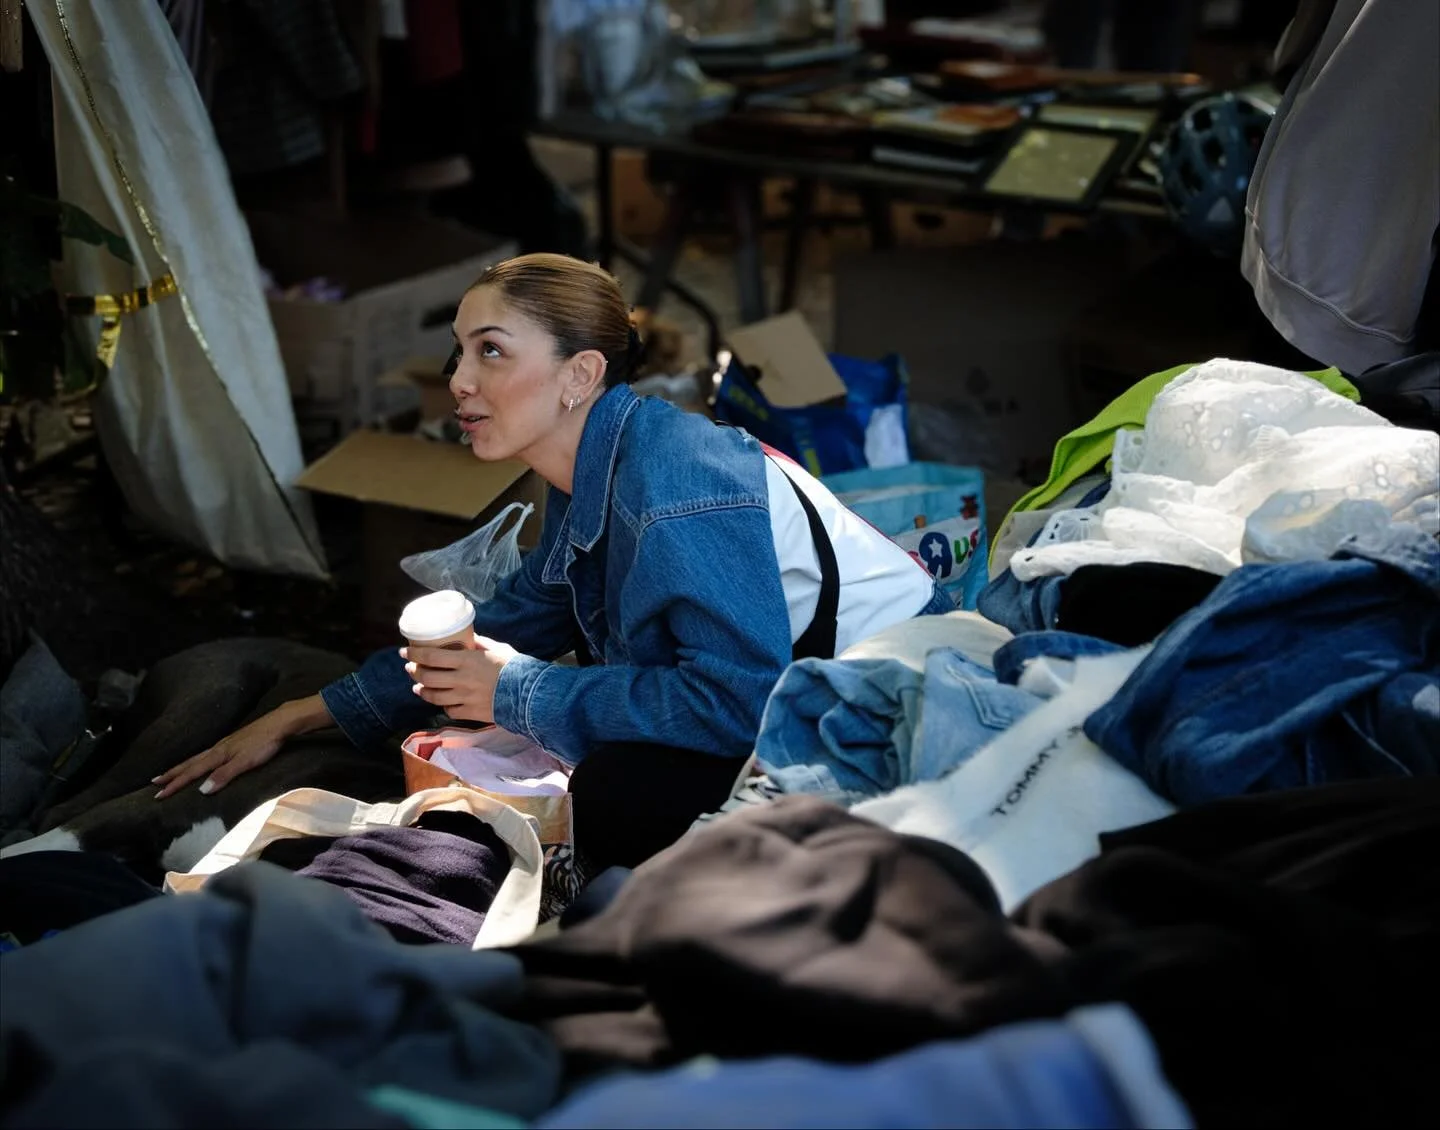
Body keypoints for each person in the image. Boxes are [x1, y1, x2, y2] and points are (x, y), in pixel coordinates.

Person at [155, 254, 952, 868]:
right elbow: (514, 620)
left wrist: (519, 691)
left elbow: (735, 703)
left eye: (492, 352)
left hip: (877, 717)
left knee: (615, 791)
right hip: (774, 696)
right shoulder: (592, 465)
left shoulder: (677, 483)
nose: (459, 382)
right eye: (460, 352)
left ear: (581, 375)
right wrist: (309, 712)